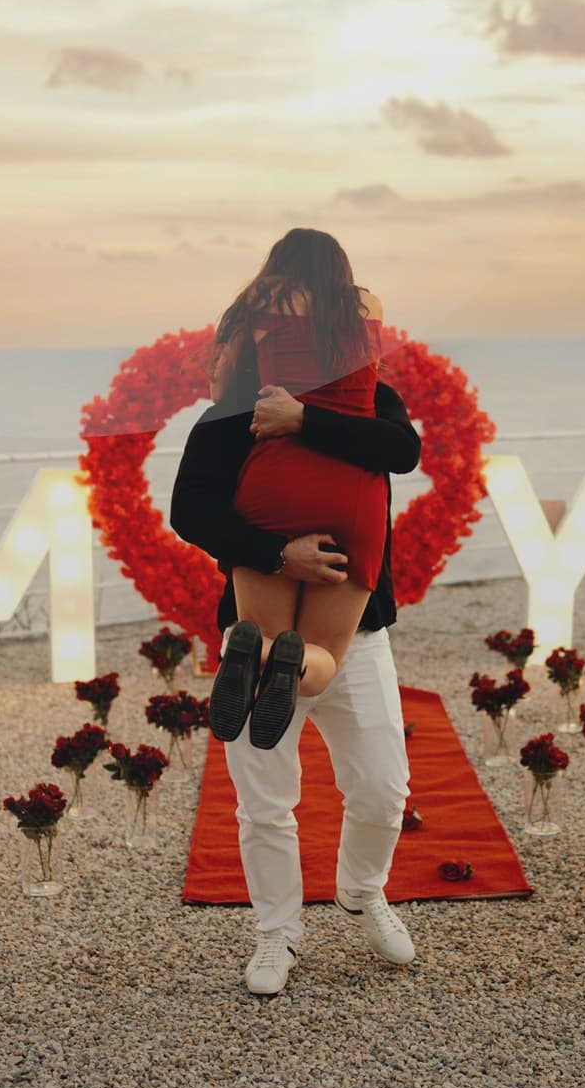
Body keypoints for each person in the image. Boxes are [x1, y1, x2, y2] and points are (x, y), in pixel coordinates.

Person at [170, 344, 422, 995]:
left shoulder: (370, 398)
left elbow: (403, 450)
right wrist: (279, 554)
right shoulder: (234, 413)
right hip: (257, 636)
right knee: (264, 802)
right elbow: (190, 510)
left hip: (357, 635)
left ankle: (362, 891)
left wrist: (304, 419)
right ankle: (276, 931)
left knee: (383, 790)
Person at [202, 229, 388, 753]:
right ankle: (292, 660)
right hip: (352, 489)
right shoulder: (366, 304)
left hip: (275, 476)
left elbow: (222, 390)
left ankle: (252, 647)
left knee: (261, 629)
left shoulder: (259, 300)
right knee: (323, 656)